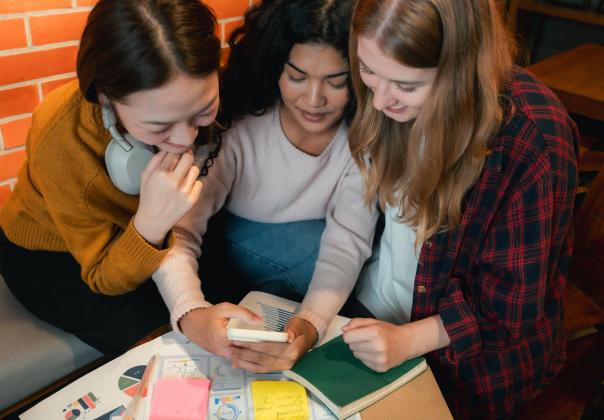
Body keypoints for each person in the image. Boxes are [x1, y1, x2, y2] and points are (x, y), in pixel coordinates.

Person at [342, 0, 579, 418]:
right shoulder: (387, 95)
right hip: (374, 315)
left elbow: (509, 308)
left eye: (406, 85)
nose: (379, 102)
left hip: (467, 362)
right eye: (367, 70)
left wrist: (407, 341)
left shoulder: (530, 137)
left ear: (459, 68)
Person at [0, 0, 259, 356]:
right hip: (56, 257)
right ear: (107, 101)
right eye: (160, 126)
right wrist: (149, 224)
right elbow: (103, 277)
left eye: (202, 111)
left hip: (156, 231)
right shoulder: (60, 140)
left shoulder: (211, 89)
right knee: (168, 347)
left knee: (243, 311)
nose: (185, 139)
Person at [152, 0, 378, 371]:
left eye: (336, 82)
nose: (314, 99)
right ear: (276, 69)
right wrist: (191, 314)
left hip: (289, 268)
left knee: (338, 252)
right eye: (297, 77)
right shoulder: (242, 127)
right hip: (221, 250)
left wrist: (307, 330)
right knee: (309, 246)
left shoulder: (359, 142)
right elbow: (179, 231)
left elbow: (347, 245)